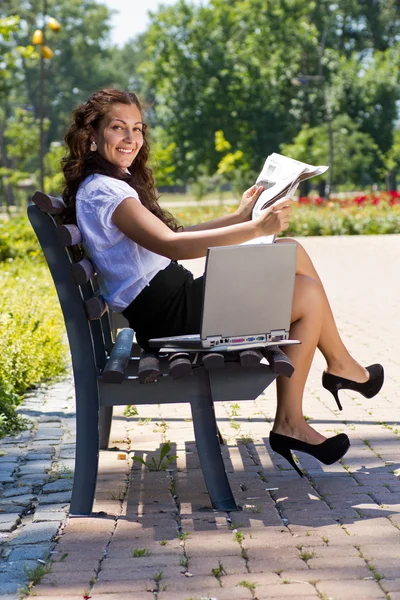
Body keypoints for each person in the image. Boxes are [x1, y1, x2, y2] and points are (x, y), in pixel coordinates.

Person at [62, 88, 384, 477]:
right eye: (118, 128)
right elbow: (173, 246)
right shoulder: (105, 192)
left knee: (290, 249)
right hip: (172, 318)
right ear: (93, 135)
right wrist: (254, 227)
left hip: (174, 305)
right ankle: (305, 407)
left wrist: (239, 216)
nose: (131, 139)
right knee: (307, 293)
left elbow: (175, 237)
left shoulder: (107, 186)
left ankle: (334, 372)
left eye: (137, 128)